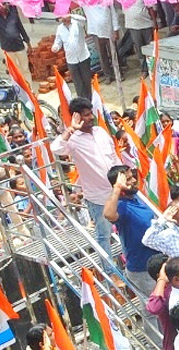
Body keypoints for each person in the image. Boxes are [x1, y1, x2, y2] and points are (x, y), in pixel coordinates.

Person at [50, 98, 125, 254]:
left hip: (118, 190)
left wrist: (122, 176)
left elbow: (113, 156)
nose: (91, 117)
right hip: (98, 197)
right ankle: (109, 272)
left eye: (91, 113)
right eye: (86, 115)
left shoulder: (101, 132)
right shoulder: (73, 140)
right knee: (104, 234)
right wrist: (71, 129)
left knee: (124, 228)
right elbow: (56, 148)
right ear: (77, 117)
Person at [102, 166, 156, 297]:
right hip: (142, 268)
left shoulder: (136, 197)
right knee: (154, 311)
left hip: (156, 261)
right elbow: (109, 214)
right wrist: (117, 188)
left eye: (133, 177)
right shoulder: (121, 205)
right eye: (128, 179)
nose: (133, 181)